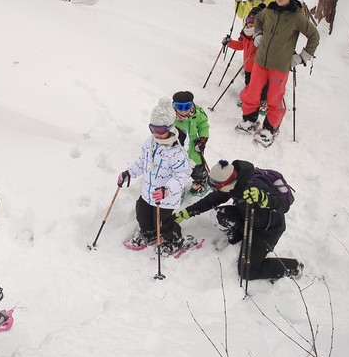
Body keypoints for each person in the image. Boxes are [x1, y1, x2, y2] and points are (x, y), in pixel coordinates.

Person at [174, 160, 303, 281]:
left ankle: (293, 267)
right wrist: (186, 213)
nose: (216, 190)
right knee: (220, 215)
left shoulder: (255, 184)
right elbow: (212, 200)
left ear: (224, 184)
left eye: (217, 187)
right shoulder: (232, 181)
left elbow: (284, 205)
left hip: (267, 229)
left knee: (247, 271)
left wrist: (264, 199)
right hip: (247, 216)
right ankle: (238, 241)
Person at [237, 0, 320, 146]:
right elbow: (258, 20)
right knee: (252, 93)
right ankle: (249, 120)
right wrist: (258, 34)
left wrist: (302, 57)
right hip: (260, 62)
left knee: (274, 98)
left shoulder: (297, 17)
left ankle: (270, 128)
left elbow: (314, 36)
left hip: (280, 66)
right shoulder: (268, 11)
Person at [119, 98, 193, 255]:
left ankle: (175, 241)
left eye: (160, 131)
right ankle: (150, 233)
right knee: (142, 213)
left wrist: (166, 190)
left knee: (163, 222)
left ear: (170, 128)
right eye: (153, 129)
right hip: (148, 192)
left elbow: (182, 176)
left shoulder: (177, 152)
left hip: (166, 197)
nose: (156, 134)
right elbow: (142, 162)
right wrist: (129, 173)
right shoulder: (150, 142)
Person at [224, 5, 270, 112]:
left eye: (254, 20)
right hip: (248, 67)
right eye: (249, 19)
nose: (250, 23)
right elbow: (240, 45)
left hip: (260, 67)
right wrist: (229, 42)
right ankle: (250, 99)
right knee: (249, 84)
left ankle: (263, 101)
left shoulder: (262, 35)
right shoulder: (245, 34)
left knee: (261, 86)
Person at [171, 91, 211, 196]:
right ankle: (175, 185)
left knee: (196, 163)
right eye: (179, 106)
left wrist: (203, 139)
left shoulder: (197, 114)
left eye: (187, 106)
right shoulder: (170, 114)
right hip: (176, 143)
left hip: (193, 144)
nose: (183, 111)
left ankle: (201, 181)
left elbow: (204, 126)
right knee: (175, 163)